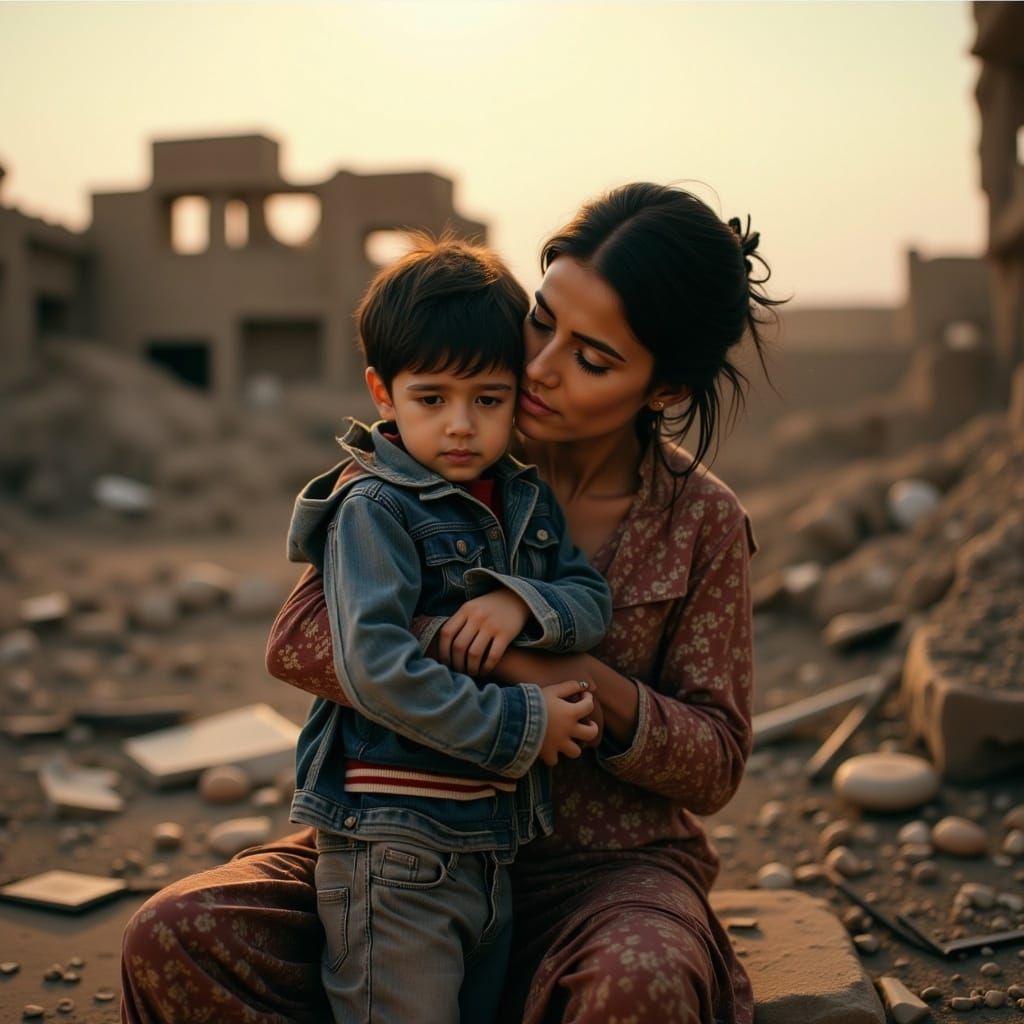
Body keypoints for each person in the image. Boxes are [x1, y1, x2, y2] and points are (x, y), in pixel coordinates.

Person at [121, 182, 779, 1024]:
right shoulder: (448, 448)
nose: (538, 367)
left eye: (593, 356)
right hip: (406, 841)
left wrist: (573, 676)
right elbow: (300, 639)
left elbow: (715, 762)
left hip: (604, 875)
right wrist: (488, 651)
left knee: (638, 985)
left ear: (665, 390)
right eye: (543, 321)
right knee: (176, 934)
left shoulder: (701, 520)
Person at [286, 235, 611, 1022]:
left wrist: (519, 603)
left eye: (488, 400)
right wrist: (521, 724)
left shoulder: (523, 500)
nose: (461, 426)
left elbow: (589, 597)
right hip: (391, 852)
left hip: (490, 847)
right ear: (383, 393)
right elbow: (375, 668)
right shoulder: (374, 508)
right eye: (432, 400)